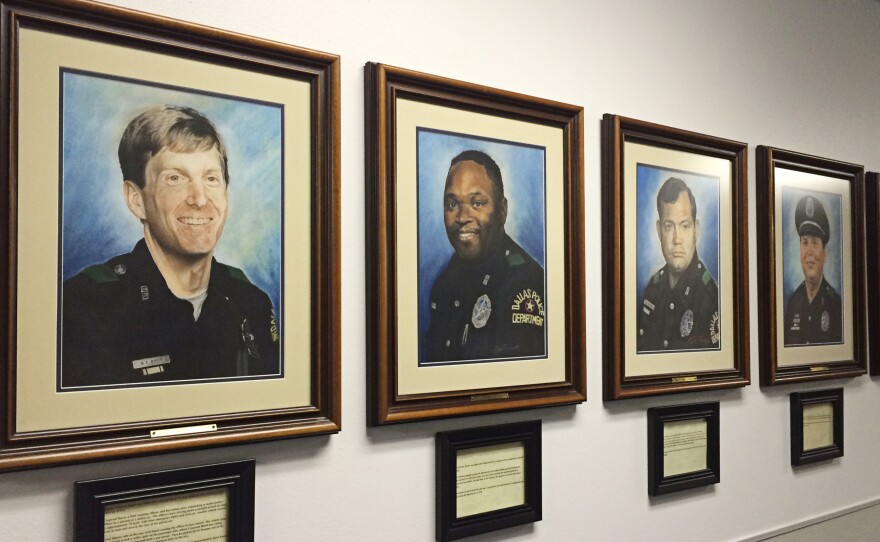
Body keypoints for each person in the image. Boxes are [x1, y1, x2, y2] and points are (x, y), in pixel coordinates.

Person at [60, 105, 280, 388]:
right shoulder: (87, 306)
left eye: (211, 179)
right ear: (136, 199)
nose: (200, 199)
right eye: (175, 178)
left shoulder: (250, 302)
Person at [424, 150, 546, 362]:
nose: (462, 217)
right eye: (452, 204)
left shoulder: (525, 282)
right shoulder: (443, 283)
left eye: (477, 203)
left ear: (502, 211)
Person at [637, 177, 720, 352]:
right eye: (669, 226)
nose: (676, 240)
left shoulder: (709, 297)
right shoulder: (653, 288)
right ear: (659, 231)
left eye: (684, 226)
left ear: (696, 230)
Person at [783, 195, 842, 346]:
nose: (809, 252)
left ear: (824, 254)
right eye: (805, 242)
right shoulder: (792, 303)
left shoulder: (836, 304)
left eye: (815, 243)